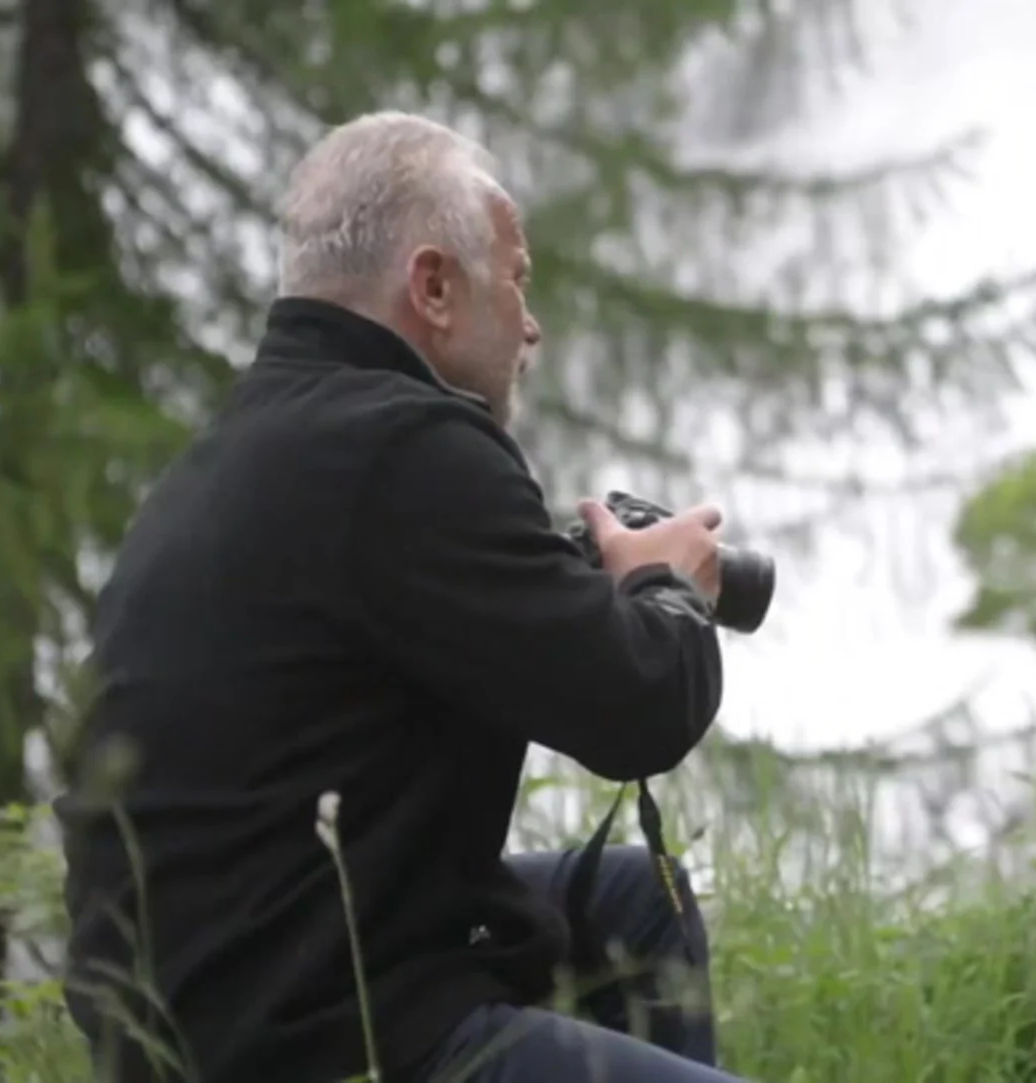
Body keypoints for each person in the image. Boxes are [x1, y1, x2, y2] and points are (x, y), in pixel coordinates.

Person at [55, 111, 747, 1083]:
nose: (532, 323)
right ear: (432, 286)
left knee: (639, 901)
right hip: (320, 1038)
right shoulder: (408, 449)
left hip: (209, 1011)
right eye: (517, 278)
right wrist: (663, 585)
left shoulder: (245, 452)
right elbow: (638, 712)